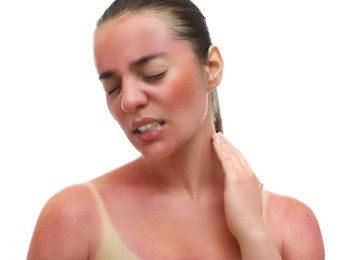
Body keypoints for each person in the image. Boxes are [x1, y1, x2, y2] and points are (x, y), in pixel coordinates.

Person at [27, 0, 325, 259]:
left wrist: (254, 235)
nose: (129, 100)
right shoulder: (73, 218)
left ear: (211, 66)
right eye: (112, 87)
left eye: (153, 74)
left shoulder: (293, 226)